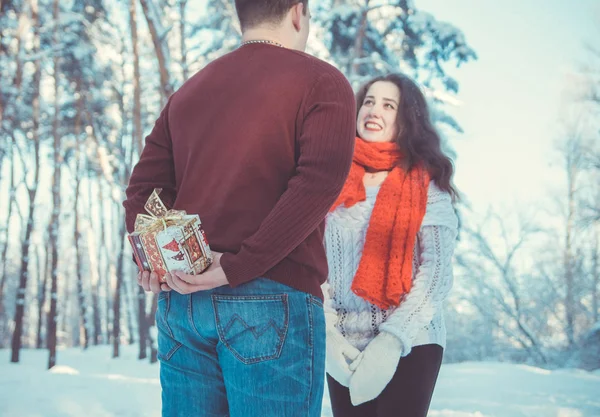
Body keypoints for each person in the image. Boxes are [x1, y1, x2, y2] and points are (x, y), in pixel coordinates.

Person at [122, 1, 356, 416]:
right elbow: (316, 184)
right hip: (270, 302)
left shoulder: (190, 91)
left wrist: (157, 261)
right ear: (298, 13)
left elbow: (143, 189)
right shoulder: (323, 82)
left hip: (184, 303)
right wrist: (238, 266)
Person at [323, 73, 459, 417]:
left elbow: (437, 273)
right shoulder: (328, 180)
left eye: (388, 104)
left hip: (412, 339)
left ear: (406, 118)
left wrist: (391, 340)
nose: (374, 110)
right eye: (368, 101)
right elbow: (311, 263)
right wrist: (327, 335)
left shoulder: (427, 183)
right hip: (343, 344)